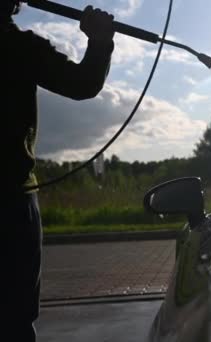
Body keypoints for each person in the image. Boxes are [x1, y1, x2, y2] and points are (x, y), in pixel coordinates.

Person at [0, 1, 115, 340]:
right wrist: (99, 41)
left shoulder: (21, 48)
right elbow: (83, 84)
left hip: (14, 205)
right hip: (12, 207)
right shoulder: (19, 48)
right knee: (13, 322)